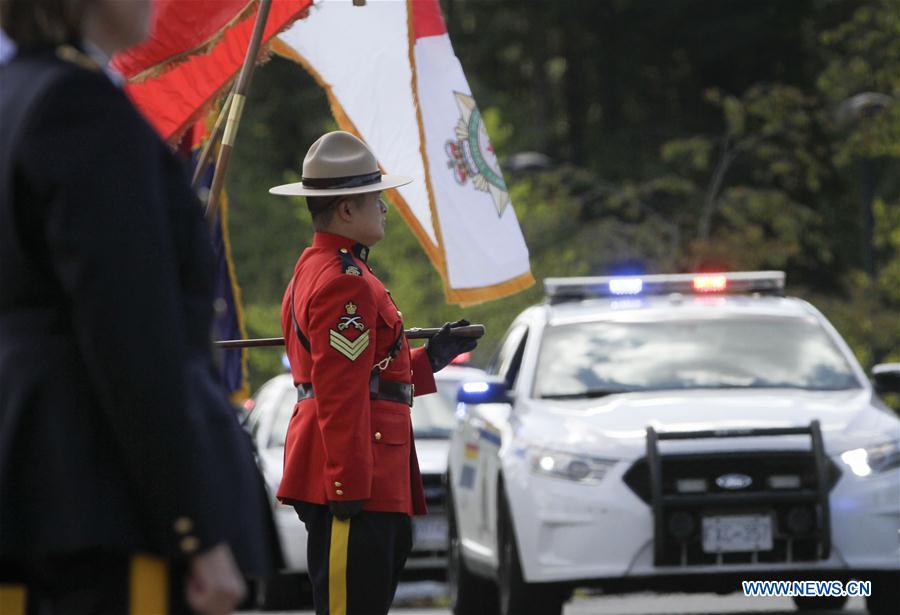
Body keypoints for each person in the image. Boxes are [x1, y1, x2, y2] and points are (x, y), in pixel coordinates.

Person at [0, 1, 280, 613]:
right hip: (108, 503)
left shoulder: (18, 94)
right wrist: (195, 528)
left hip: (43, 496)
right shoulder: (79, 107)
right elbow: (131, 343)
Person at [270, 131, 476, 615]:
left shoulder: (318, 268)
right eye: (376, 199)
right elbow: (340, 392)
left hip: (365, 473)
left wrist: (431, 360)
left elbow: (368, 373)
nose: (384, 209)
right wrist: (346, 485)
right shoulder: (346, 283)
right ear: (345, 210)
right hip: (354, 478)